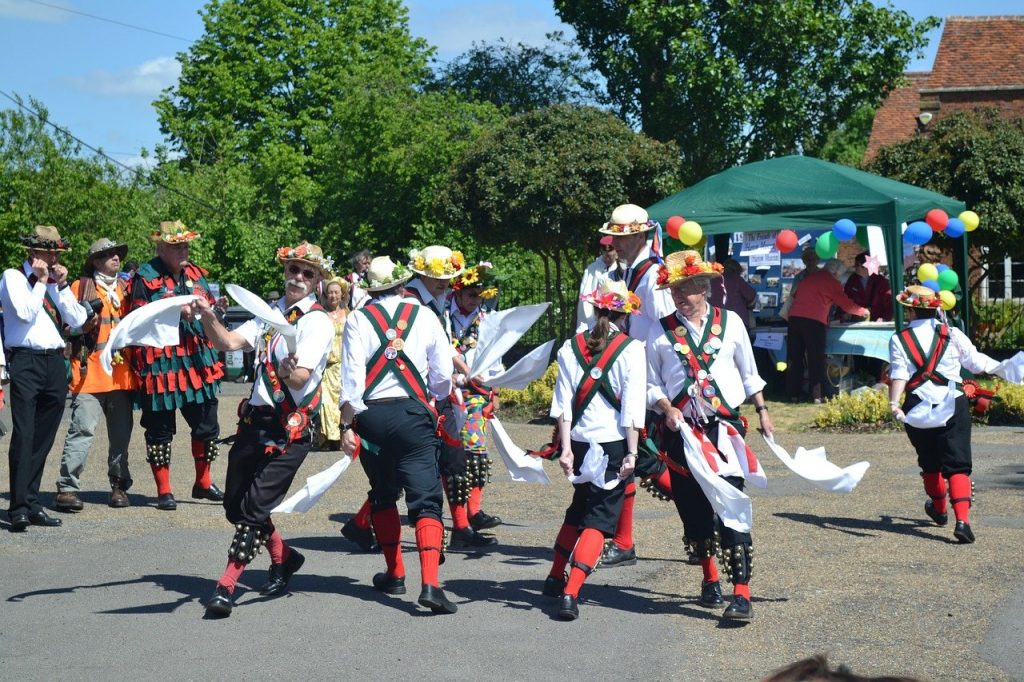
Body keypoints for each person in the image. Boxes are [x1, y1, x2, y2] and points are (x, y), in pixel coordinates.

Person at [195, 241, 334, 616]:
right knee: (234, 505)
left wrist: (290, 370)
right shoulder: (272, 314)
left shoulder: (316, 321)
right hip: (253, 423)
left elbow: (300, 377)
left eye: (308, 273)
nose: (299, 278)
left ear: (319, 280)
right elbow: (226, 342)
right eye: (294, 270)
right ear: (285, 272)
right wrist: (207, 314)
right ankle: (284, 557)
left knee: (254, 508)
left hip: (290, 430)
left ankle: (225, 586)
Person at [646, 249, 774, 621]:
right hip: (682, 433)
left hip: (724, 433)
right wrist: (667, 408)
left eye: (685, 289)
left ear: (703, 287)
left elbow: (750, 373)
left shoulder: (731, 322)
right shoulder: (660, 329)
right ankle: (709, 578)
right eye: (674, 291)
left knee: (732, 507)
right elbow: (652, 383)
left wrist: (763, 411)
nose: (680, 297)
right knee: (694, 509)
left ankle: (742, 594)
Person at [340, 255, 459, 614]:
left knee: (383, 493)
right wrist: (433, 402)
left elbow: (351, 380)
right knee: (424, 499)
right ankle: (430, 585)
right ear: (403, 285)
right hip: (412, 415)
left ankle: (394, 573)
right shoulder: (425, 316)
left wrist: (347, 426)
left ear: (372, 289)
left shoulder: (358, 318)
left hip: (372, 418)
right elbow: (442, 375)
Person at [544, 279, 646, 620]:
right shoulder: (631, 349)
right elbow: (632, 411)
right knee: (600, 520)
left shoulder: (570, 347)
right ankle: (571, 593)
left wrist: (566, 449)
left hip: (581, 441)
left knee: (578, 508)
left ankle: (555, 575)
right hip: (614, 443)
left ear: (595, 307)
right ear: (625, 313)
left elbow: (562, 406)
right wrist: (632, 454)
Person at [887, 285, 1005, 545]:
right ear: (935, 308)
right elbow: (975, 364)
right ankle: (962, 521)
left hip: (917, 406)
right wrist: (1003, 368)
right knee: (958, 464)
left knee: (930, 463)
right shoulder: (952, 333)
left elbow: (899, 375)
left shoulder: (899, 339)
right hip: (953, 402)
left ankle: (939, 511)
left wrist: (894, 403)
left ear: (909, 310)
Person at [129, 220, 225, 510]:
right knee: (159, 429)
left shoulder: (195, 273)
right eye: (176, 246)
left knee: (208, 424)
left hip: (197, 359)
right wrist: (175, 313)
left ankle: (203, 483)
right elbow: (137, 319)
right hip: (160, 363)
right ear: (161, 248)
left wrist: (212, 309)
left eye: (185, 245)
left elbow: (209, 304)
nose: (183, 250)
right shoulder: (144, 277)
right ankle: (164, 490)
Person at [599, 203, 675, 568]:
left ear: (641, 236)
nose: (617, 241)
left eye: (624, 236)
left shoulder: (653, 274)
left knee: (639, 457)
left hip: (647, 376)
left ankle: (704, 522)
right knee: (634, 457)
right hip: (630, 372)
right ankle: (624, 540)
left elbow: (664, 329)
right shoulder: (629, 271)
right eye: (616, 235)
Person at [2, 225, 89, 532]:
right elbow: (25, 313)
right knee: (25, 434)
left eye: (56, 253)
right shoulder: (13, 277)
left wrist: (61, 287)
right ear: (32, 252)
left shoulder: (53, 283)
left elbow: (78, 320)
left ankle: (32, 502)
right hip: (25, 360)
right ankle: (18, 508)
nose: (53, 258)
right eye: (48, 252)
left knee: (44, 436)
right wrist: (40, 282)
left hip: (54, 362)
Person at [54, 238, 137, 511]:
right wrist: (81, 327)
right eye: (108, 254)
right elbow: (65, 328)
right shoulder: (80, 287)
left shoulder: (127, 288)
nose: (115, 257)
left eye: (117, 254)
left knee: (121, 435)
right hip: (89, 374)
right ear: (95, 261)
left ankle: (118, 486)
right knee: (81, 431)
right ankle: (67, 488)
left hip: (121, 376)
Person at [447, 262, 504, 540]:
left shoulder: (488, 319)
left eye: (480, 294)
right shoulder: (442, 315)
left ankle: (473, 512)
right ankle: (460, 522)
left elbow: (496, 356)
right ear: (457, 292)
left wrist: (495, 390)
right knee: (453, 456)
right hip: (445, 390)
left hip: (476, 392)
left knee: (476, 452)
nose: (476, 299)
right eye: (471, 293)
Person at [786, 255, 869, 402]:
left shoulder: (810, 278)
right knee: (815, 359)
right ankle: (816, 396)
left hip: (794, 319)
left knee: (795, 358)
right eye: (841, 275)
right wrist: (863, 311)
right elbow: (847, 305)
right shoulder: (832, 282)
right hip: (813, 322)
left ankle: (793, 394)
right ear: (837, 273)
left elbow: (797, 295)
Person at [319, 276, 350, 450]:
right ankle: (328, 438)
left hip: (344, 365)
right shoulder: (321, 315)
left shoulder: (349, 314)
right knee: (326, 402)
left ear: (342, 294)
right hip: (328, 366)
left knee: (342, 401)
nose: (333, 296)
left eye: (336, 292)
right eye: (330, 292)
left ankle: (341, 435)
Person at [576, 236, 619, 328]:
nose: (607, 257)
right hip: (595, 317)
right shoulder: (592, 269)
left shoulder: (621, 268)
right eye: (605, 254)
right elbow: (585, 295)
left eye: (610, 254)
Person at [844, 252, 892, 322]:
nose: (855, 267)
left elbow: (888, 302)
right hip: (857, 320)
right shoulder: (852, 279)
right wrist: (844, 312)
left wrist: (885, 318)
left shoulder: (881, 281)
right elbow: (846, 297)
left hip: (877, 320)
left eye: (857, 265)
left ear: (866, 266)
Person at [711, 258, 757, 331]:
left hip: (717, 319)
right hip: (737, 320)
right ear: (738, 269)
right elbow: (751, 295)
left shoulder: (713, 280)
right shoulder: (737, 279)